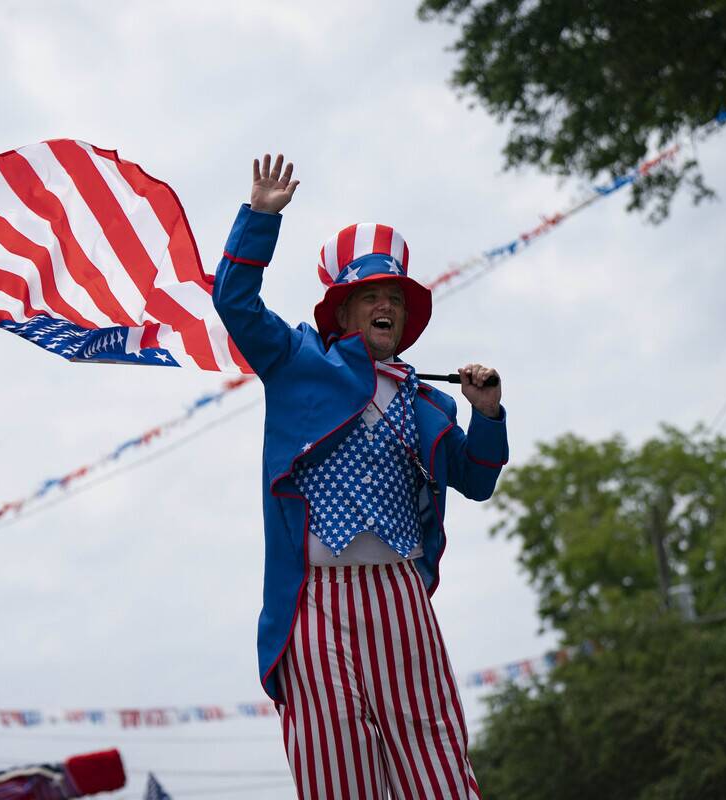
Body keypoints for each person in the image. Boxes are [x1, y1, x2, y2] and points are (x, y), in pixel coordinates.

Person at [212, 154, 509, 799]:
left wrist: (487, 415)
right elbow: (234, 303)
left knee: (431, 748)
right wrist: (261, 217)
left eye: (393, 298)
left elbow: (477, 478)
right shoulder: (296, 360)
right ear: (343, 314)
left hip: (399, 592)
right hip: (315, 596)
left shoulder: (429, 400)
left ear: (406, 318)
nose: (384, 305)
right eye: (369, 296)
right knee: (331, 754)